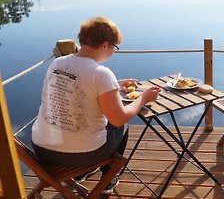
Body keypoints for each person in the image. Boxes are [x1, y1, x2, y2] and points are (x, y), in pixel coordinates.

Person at [31, 16, 161, 194]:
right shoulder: (101, 74)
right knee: (122, 125)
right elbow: (118, 118)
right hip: (79, 156)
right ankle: (108, 178)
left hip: (41, 150)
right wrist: (144, 98)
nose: (114, 52)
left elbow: (77, 85)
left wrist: (114, 85)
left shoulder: (58, 63)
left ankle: (79, 175)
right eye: (115, 47)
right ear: (105, 45)